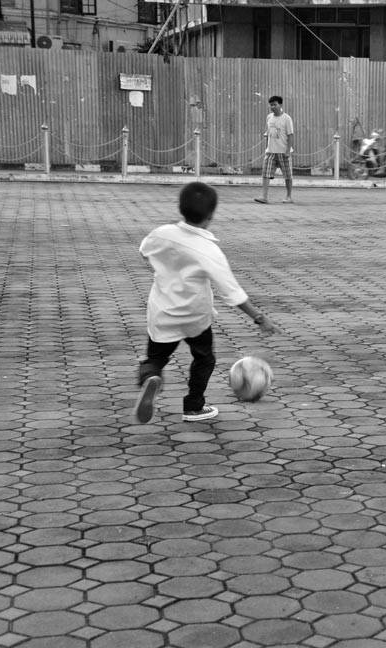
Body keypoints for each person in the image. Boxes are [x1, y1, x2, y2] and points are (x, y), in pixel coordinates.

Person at [136, 182, 279, 424]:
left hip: (162, 312)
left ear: (181, 208)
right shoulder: (208, 251)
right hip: (195, 316)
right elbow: (232, 292)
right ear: (211, 216)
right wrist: (260, 318)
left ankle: (150, 376)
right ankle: (194, 407)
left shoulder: (162, 233)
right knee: (204, 359)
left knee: (156, 357)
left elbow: (144, 251)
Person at [255, 95, 294, 204]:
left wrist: (288, 150)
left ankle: (289, 196)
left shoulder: (287, 118)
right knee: (266, 173)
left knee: (288, 175)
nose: (272, 107)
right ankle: (264, 196)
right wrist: (266, 148)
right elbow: (267, 133)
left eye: (275, 104)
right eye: (271, 105)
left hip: (283, 152)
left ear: (280, 105)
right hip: (270, 151)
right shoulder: (269, 117)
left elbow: (290, 135)